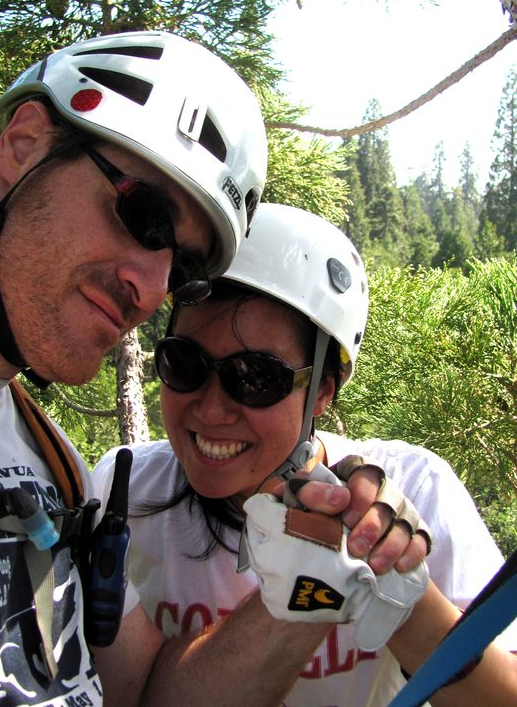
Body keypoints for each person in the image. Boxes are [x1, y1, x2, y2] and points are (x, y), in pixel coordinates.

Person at [0, 29, 275, 707]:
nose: (153, 291)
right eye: (144, 215)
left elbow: (143, 691)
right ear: (23, 144)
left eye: (179, 269)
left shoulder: (55, 462)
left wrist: (311, 591)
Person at [94, 203, 517, 707]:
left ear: (323, 392)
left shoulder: (417, 489)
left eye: (255, 377)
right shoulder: (127, 497)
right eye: (184, 363)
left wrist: (401, 590)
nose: (210, 408)